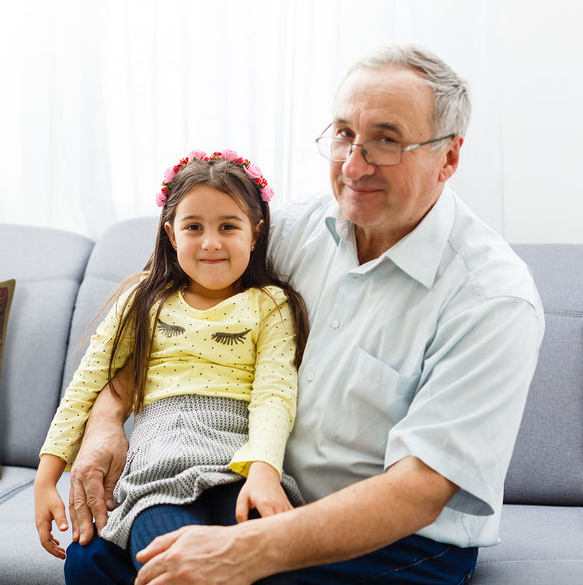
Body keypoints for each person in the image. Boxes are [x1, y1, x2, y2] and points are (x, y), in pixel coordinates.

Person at [61, 43, 546, 585]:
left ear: (448, 157)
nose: (354, 165)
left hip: (399, 536)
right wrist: (105, 421)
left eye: (386, 141)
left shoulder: (493, 299)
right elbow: (168, 318)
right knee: (92, 558)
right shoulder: (292, 229)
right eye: (343, 134)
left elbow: (420, 490)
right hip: (255, 492)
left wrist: (245, 551)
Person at [33, 150, 310, 582]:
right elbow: (87, 383)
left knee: (263, 559)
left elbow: (274, 393)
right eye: (193, 227)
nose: (211, 242)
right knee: (169, 564)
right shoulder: (144, 298)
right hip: (157, 470)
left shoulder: (271, 304)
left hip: (238, 466)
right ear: (171, 234)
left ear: (256, 234)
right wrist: (46, 477)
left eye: (228, 226)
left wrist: (264, 471)